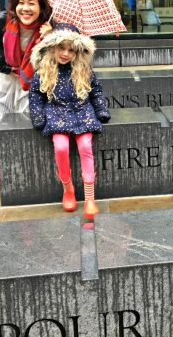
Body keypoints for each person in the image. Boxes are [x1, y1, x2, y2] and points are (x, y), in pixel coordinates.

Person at [0, 0, 76, 185]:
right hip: (2, 72)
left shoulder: (49, 26)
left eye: (32, 3)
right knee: (1, 114)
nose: (25, 8)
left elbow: (60, 53)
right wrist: (4, 67)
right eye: (21, 2)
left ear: (41, 6)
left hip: (30, 74)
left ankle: (23, 158)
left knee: (26, 113)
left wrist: (50, 37)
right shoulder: (3, 20)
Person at [28, 29, 110, 218]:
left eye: (71, 50)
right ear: (52, 48)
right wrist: (38, 117)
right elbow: (36, 96)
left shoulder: (84, 70)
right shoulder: (44, 71)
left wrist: (101, 111)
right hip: (57, 113)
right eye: (61, 48)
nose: (66, 54)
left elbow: (95, 91)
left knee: (85, 146)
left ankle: (90, 198)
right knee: (61, 147)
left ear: (77, 52)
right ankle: (68, 189)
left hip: (82, 113)